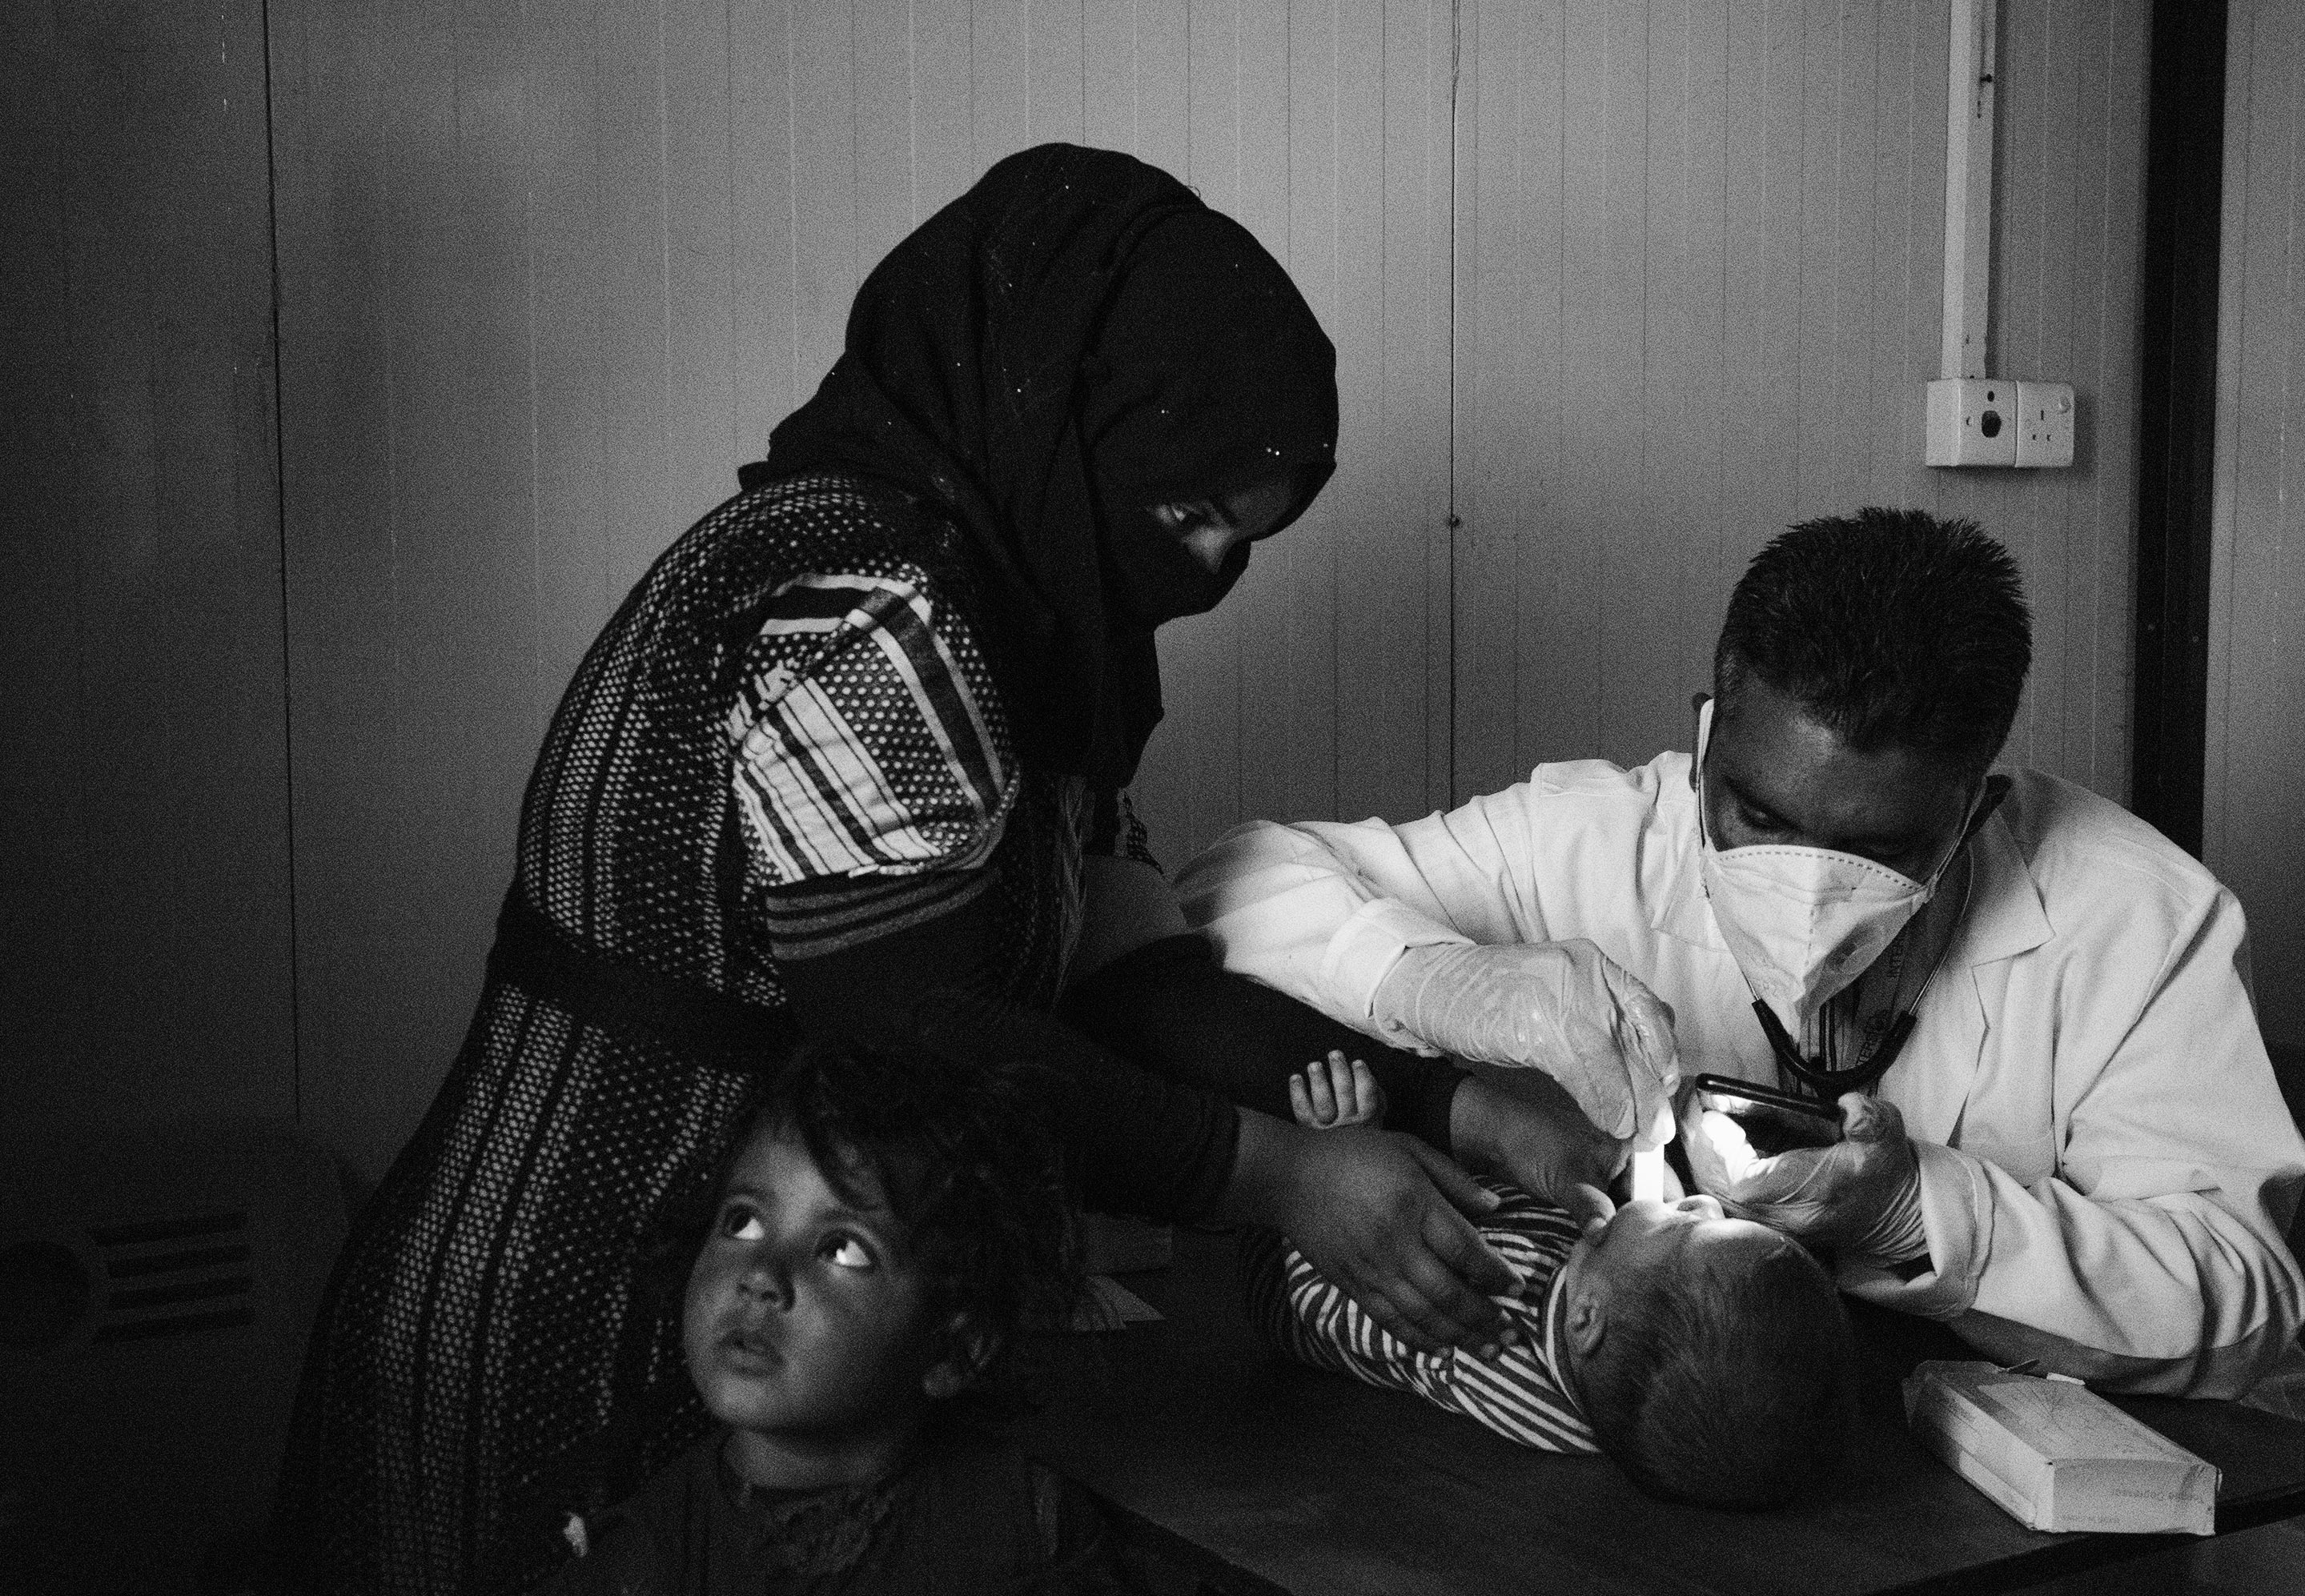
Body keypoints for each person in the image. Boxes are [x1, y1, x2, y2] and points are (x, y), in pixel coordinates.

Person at [275, 142, 1579, 1595]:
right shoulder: (857, 604)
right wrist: (1287, 1182)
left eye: (1241, 540)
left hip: (763, 1352)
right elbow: (922, 1039)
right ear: (1066, 422)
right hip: (556, 1331)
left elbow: (1129, 981)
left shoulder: (1032, 643)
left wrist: (1447, 1103)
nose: (1208, 569)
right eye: (1184, 512)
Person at [1181, 509, 2305, 1415]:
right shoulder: (1598, 838)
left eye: (1875, 848)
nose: (1807, 877)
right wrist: (1444, 981)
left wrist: (1918, 1216)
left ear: (1976, 809)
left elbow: (2238, 1300)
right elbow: (1231, 885)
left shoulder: (2140, 919)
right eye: (1759, 814)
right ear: (1709, 735)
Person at [537, 1039, 1127, 1594]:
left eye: (842, 1249)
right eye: (743, 1221)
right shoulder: (639, 1564)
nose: (762, 1275)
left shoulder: (1029, 1532)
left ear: (954, 1351)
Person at [1250, 1058, 1855, 1506]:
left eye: (1686, 1229)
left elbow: (1334, 1302)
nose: (1705, 1204)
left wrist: (1340, 1154)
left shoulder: (1491, 1335)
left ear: (1587, 1319)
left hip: (1293, 1266)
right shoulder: (1619, 1344)